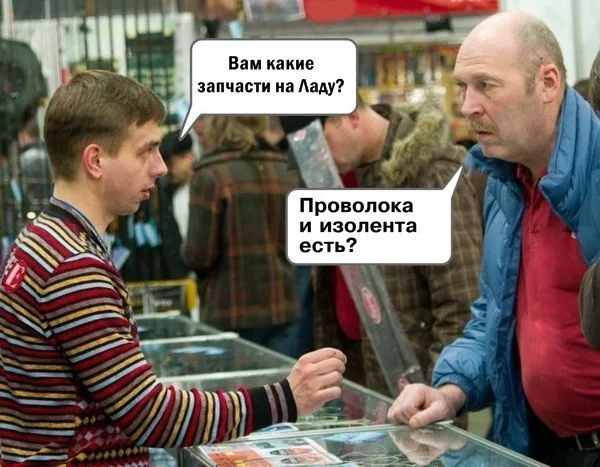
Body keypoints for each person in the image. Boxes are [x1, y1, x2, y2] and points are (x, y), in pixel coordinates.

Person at [0, 70, 346, 466]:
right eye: (146, 150)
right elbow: (150, 415)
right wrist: (285, 398)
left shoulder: (45, 240)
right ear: (95, 160)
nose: (160, 166)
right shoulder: (72, 265)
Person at [387, 12, 600, 466]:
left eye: (486, 85)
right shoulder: (506, 184)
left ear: (547, 83)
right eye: (463, 87)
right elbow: (495, 317)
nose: (467, 106)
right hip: (537, 441)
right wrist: (451, 390)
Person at [282, 95, 483, 400]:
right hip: (352, 372)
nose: (316, 159)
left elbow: (460, 300)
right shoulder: (336, 177)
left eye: (320, 144)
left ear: (350, 116)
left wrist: (442, 391)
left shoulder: (431, 173)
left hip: (416, 384)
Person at [182, 115, 303, 358]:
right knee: (281, 381)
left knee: (234, 382)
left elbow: (199, 255)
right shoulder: (286, 170)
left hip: (229, 311)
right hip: (283, 307)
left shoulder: (210, 174)